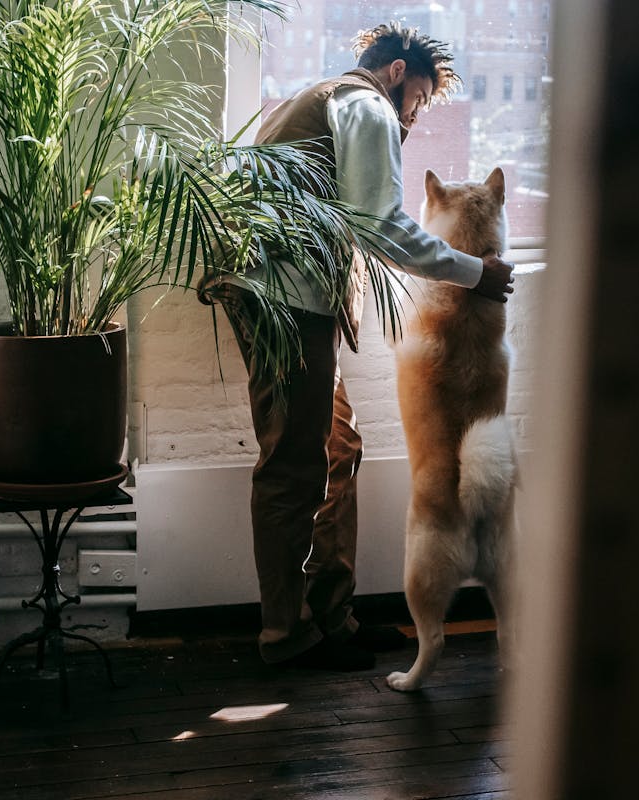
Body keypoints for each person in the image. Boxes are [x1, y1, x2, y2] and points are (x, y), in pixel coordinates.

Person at [214, 22, 516, 671]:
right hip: (283, 300)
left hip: (284, 297)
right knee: (294, 467)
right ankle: (284, 634)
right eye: (419, 101)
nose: (414, 117)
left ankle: (331, 615)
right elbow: (380, 224)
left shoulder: (327, 100)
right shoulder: (364, 105)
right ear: (399, 73)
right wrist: (477, 272)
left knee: (338, 447)